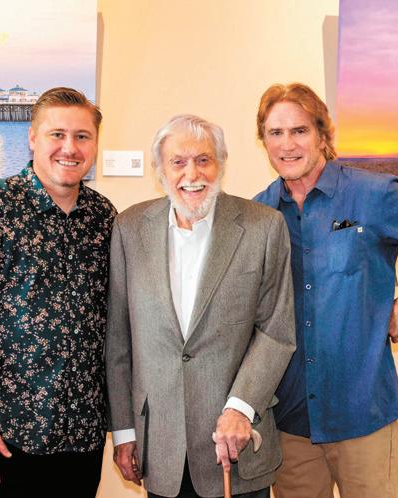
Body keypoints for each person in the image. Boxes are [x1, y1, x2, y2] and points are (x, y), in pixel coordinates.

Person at [254, 82, 398, 498]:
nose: (287, 144)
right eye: (275, 133)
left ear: (322, 135)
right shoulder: (259, 214)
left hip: (363, 414)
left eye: (299, 130)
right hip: (290, 425)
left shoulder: (373, 195)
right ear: (263, 141)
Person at [0, 87, 117, 497]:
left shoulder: (104, 217)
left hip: (82, 438)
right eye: (57, 134)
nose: (69, 148)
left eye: (82, 136)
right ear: (33, 138)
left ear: (95, 144)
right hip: (6, 437)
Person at [105, 114, 295, 498]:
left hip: (236, 445)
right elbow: (119, 340)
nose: (192, 174)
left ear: (220, 164)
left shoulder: (264, 226)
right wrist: (124, 432)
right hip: (159, 448)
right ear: (160, 170)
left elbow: (276, 331)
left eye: (204, 160)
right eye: (178, 162)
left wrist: (240, 408)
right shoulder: (129, 228)